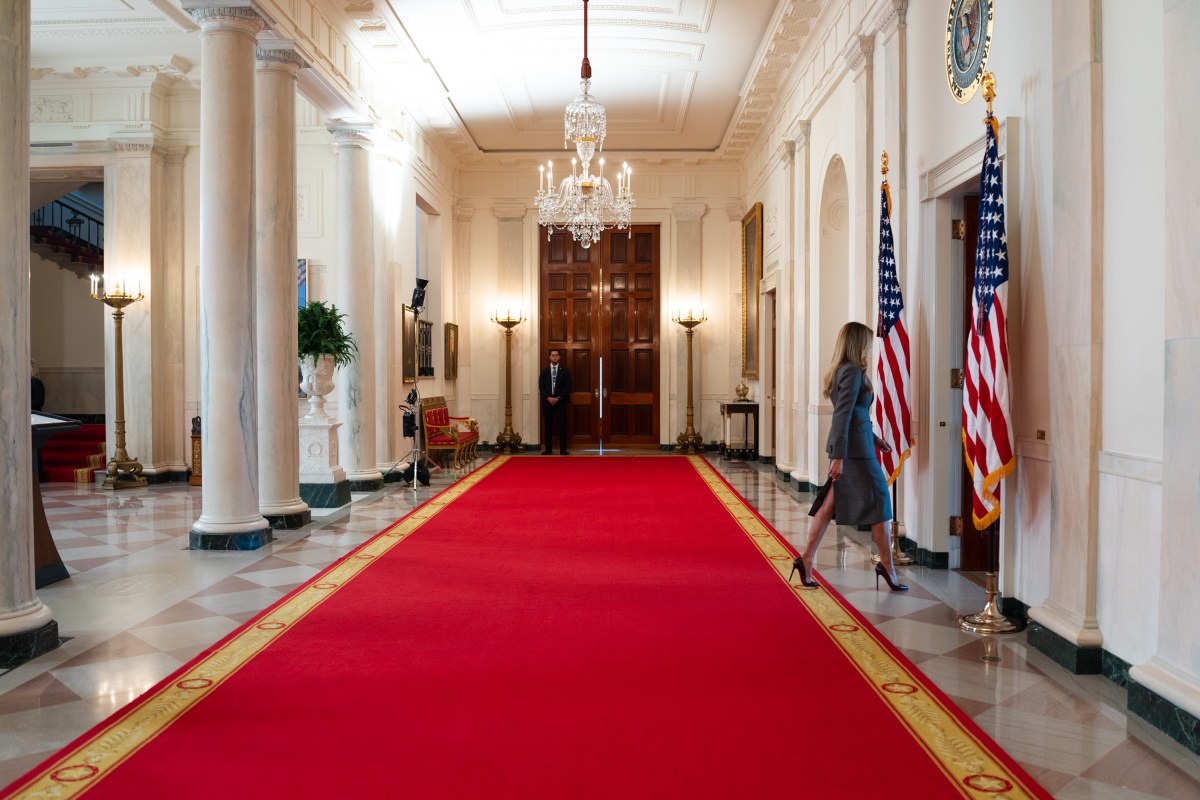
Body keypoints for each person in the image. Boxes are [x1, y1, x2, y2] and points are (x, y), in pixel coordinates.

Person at [791, 321, 907, 591]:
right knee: (880, 501)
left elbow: (855, 413)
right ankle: (887, 566)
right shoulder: (853, 372)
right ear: (858, 344)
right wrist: (839, 457)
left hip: (859, 446)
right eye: (867, 342)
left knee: (829, 503)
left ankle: (806, 559)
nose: (870, 347)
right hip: (855, 453)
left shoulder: (843, 371)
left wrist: (875, 439)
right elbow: (842, 415)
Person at [538, 349, 572, 455]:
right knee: (548, 425)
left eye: (556, 355)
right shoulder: (544, 371)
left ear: (559, 357)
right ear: (549, 357)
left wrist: (558, 398)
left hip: (560, 402)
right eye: (552, 355)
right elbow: (541, 386)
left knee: (562, 425)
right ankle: (548, 449)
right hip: (547, 403)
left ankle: (563, 449)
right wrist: (548, 398)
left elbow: (568, 386)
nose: (554, 357)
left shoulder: (565, 370)